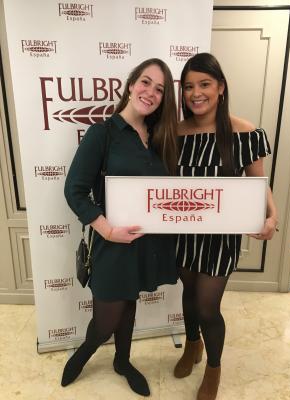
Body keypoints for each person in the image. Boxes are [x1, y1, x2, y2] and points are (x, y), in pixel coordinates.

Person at [61, 58, 178, 396]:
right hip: (112, 243)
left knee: (130, 303)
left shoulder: (159, 137)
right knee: (105, 320)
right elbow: (74, 190)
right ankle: (85, 352)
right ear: (130, 85)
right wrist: (108, 230)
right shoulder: (104, 133)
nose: (151, 93)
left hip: (147, 244)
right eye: (145, 82)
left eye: (159, 89)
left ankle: (123, 361)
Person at [174, 53, 278, 400]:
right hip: (184, 232)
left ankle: (213, 367)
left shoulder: (244, 132)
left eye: (204, 84)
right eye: (189, 86)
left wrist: (272, 216)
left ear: (220, 87)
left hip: (221, 237)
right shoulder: (175, 132)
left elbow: (258, 184)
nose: (196, 93)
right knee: (188, 295)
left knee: (207, 306)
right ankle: (192, 344)